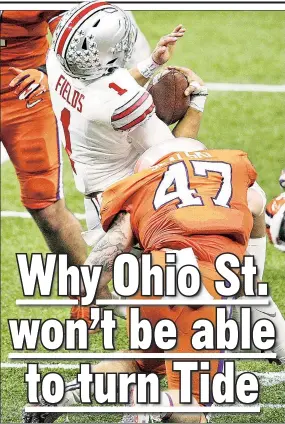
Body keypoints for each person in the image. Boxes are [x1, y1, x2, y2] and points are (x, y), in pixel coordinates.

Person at [23, 137, 275, 424]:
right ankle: (151, 406)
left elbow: (108, 253)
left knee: (142, 360)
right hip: (202, 280)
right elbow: (257, 205)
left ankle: (67, 394)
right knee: (194, 404)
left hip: (152, 277)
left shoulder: (142, 186)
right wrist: (249, 273)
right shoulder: (230, 171)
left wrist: (91, 297)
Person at [46, 1, 208, 324]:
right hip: (131, 207)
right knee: (211, 283)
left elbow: (100, 90)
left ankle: (106, 299)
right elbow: (175, 157)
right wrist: (198, 99)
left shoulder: (56, 63)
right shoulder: (118, 100)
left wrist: (149, 66)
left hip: (98, 201)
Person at [1, 11, 88, 317]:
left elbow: (76, 40)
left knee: (46, 207)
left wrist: (45, 71)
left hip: (25, 94)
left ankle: (87, 295)